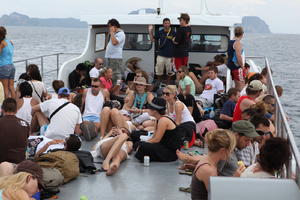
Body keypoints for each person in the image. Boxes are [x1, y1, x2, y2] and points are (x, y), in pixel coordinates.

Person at [191, 129, 236, 200]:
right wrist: (235, 180)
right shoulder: (209, 170)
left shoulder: (207, 161)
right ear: (223, 150)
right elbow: (217, 197)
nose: (231, 154)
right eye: (230, 150)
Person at [134, 97, 182, 162]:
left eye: (149, 108)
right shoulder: (158, 119)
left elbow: (156, 139)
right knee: (138, 142)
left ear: (155, 111)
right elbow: (154, 137)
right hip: (162, 146)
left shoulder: (163, 120)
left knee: (142, 146)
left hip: (170, 152)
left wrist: (143, 144)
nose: (147, 110)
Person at [0, 98, 29, 163]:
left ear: (2, 110)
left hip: (2, 161)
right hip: (20, 160)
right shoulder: (25, 123)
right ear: (16, 110)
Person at [105, 19, 126, 85]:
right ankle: (112, 88)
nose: (109, 28)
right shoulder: (115, 34)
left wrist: (111, 32)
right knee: (110, 74)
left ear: (114, 26)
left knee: (116, 74)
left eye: (110, 26)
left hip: (115, 58)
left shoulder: (121, 34)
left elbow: (114, 42)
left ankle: (117, 88)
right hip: (110, 57)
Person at [227, 26, 245, 91]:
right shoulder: (237, 43)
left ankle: (236, 98)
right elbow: (238, 56)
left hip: (231, 65)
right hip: (236, 66)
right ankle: (240, 99)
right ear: (242, 33)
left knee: (237, 84)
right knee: (241, 85)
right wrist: (242, 66)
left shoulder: (231, 41)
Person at [0, 26, 15, 99]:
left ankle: (7, 107)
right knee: (11, 87)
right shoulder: (9, 42)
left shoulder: (2, 43)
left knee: (4, 88)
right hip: (11, 66)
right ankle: (14, 105)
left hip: (4, 67)